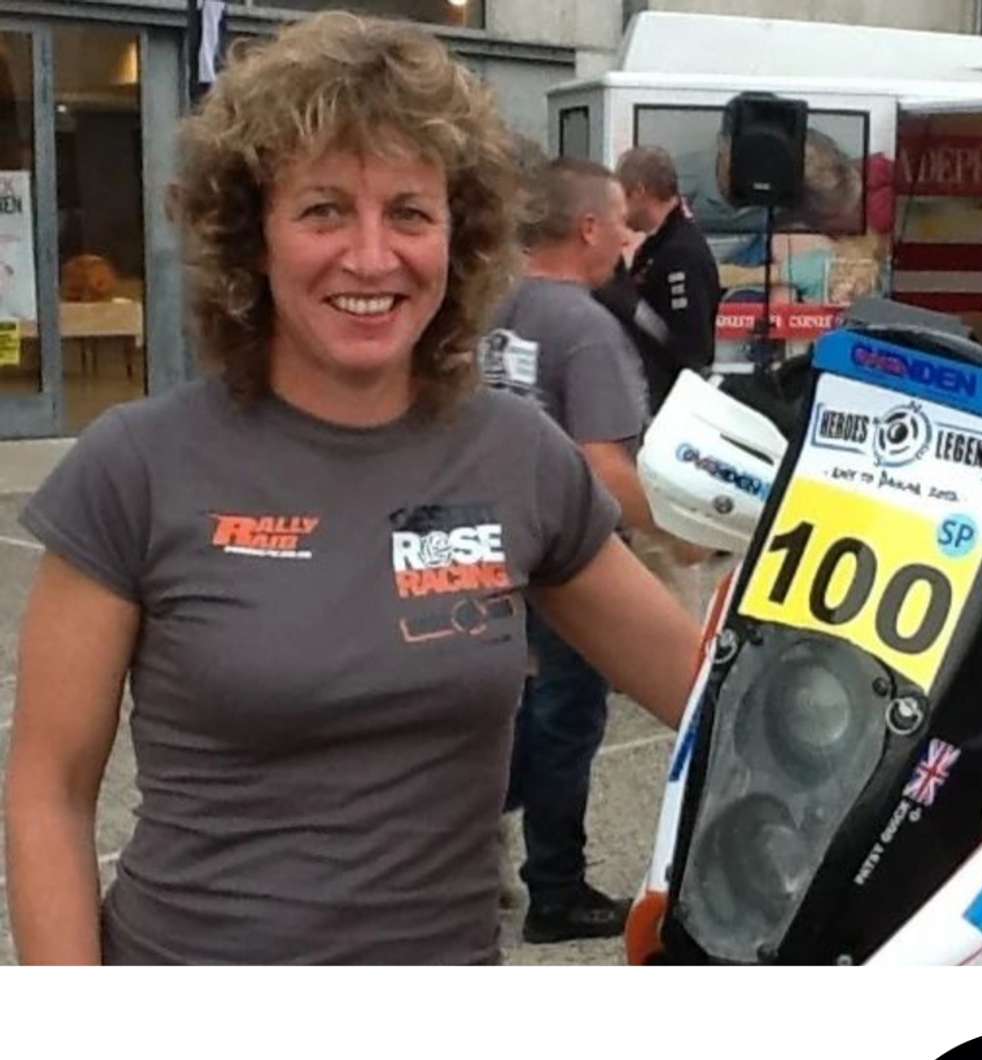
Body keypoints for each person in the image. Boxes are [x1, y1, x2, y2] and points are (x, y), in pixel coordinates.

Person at [2, 12, 701, 965]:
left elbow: (709, 700)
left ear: (459, 235)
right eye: (324, 210)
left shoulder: (518, 456)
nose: (371, 258)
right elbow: (48, 792)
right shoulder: (137, 466)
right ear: (253, 237)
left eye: (409, 213)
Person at [482, 157, 663, 944]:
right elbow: (603, 466)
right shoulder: (587, 328)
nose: (629, 236)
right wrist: (686, 530)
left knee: (517, 711)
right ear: (589, 228)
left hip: (484, 542)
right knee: (567, 719)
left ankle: (456, 839)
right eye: (621, 220)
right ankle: (556, 890)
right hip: (565, 559)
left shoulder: (490, 307)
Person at [596, 146, 721, 414]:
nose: (620, 211)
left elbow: (691, 347)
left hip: (671, 401)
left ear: (640, 192)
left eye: (622, 198)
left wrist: (631, 307)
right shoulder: (658, 245)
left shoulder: (680, 252)